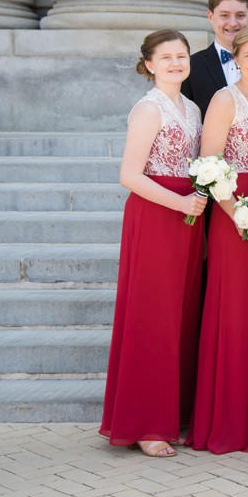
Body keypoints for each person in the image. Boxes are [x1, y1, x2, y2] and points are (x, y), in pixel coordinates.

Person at [100, 29, 207, 458]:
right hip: (156, 214)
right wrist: (179, 200)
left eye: (181, 56)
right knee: (152, 316)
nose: (176, 63)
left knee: (179, 315)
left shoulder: (193, 107)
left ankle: (171, 412)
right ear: (149, 65)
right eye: (167, 58)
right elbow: (129, 175)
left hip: (188, 217)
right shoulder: (148, 109)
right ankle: (144, 425)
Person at [186, 26, 248, 454]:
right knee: (235, 312)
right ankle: (228, 421)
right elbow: (208, 166)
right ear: (237, 59)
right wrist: (238, 218)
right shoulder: (224, 100)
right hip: (234, 216)